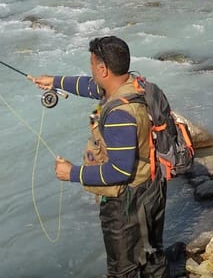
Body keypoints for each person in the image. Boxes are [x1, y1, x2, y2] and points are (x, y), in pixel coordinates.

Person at [29, 36, 168, 278]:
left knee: (121, 269)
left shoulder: (120, 115)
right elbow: (91, 86)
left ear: (103, 69)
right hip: (153, 186)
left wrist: (72, 173)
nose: (91, 71)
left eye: (92, 66)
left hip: (128, 202)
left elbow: (120, 171)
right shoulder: (136, 84)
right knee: (152, 257)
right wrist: (54, 81)